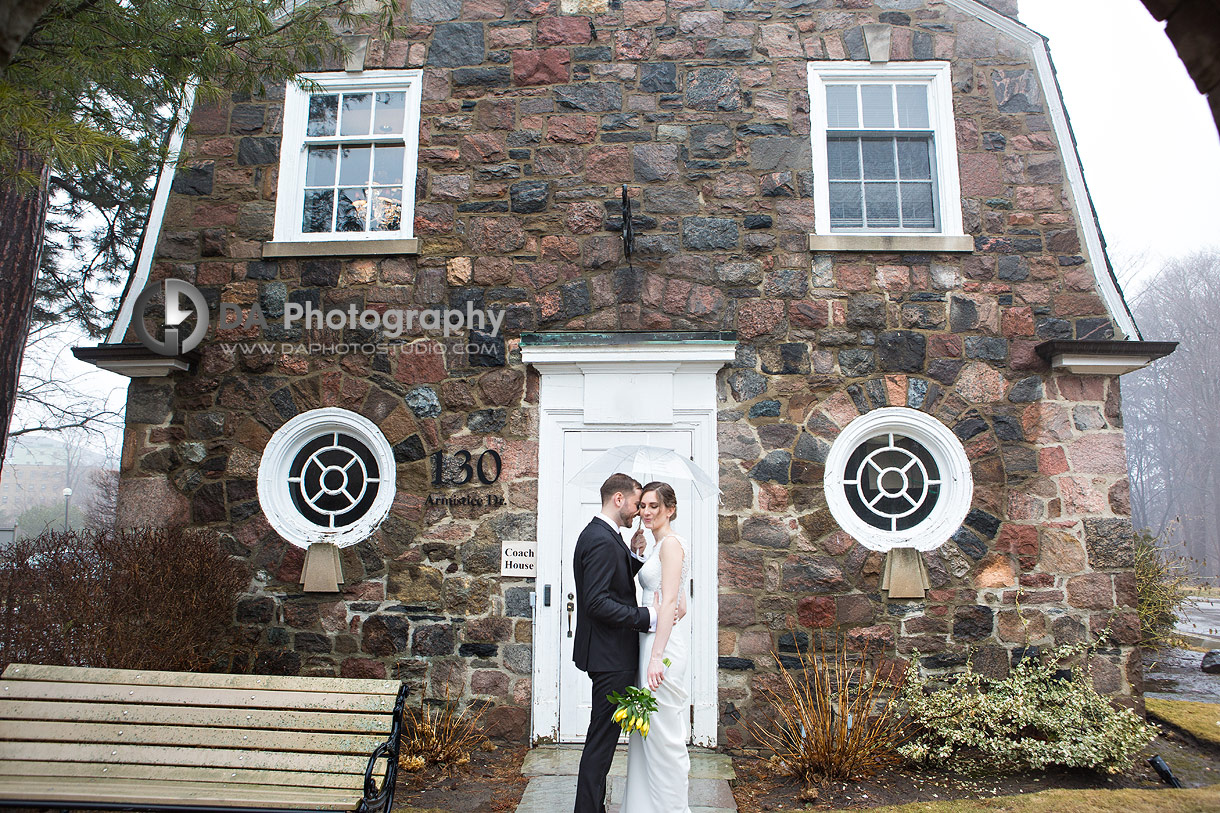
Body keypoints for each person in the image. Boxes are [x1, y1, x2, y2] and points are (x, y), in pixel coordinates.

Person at [571, 473, 656, 813]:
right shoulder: (602, 539)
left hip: (607, 653)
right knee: (601, 743)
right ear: (618, 499)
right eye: (637, 503)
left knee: (602, 740)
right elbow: (597, 603)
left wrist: (634, 556)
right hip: (611, 656)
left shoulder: (605, 536)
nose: (639, 511)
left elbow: (612, 582)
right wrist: (645, 617)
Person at [623, 481, 691, 813]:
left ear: (670, 509)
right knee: (645, 730)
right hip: (652, 639)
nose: (647, 512)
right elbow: (682, 605)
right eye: (644, 506)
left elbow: (670, 607)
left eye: (654, 506)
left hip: (661, 647)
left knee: (663, 734)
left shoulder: (671, 545)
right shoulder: (657, 545)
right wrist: (637, 554)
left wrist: (655, 657)